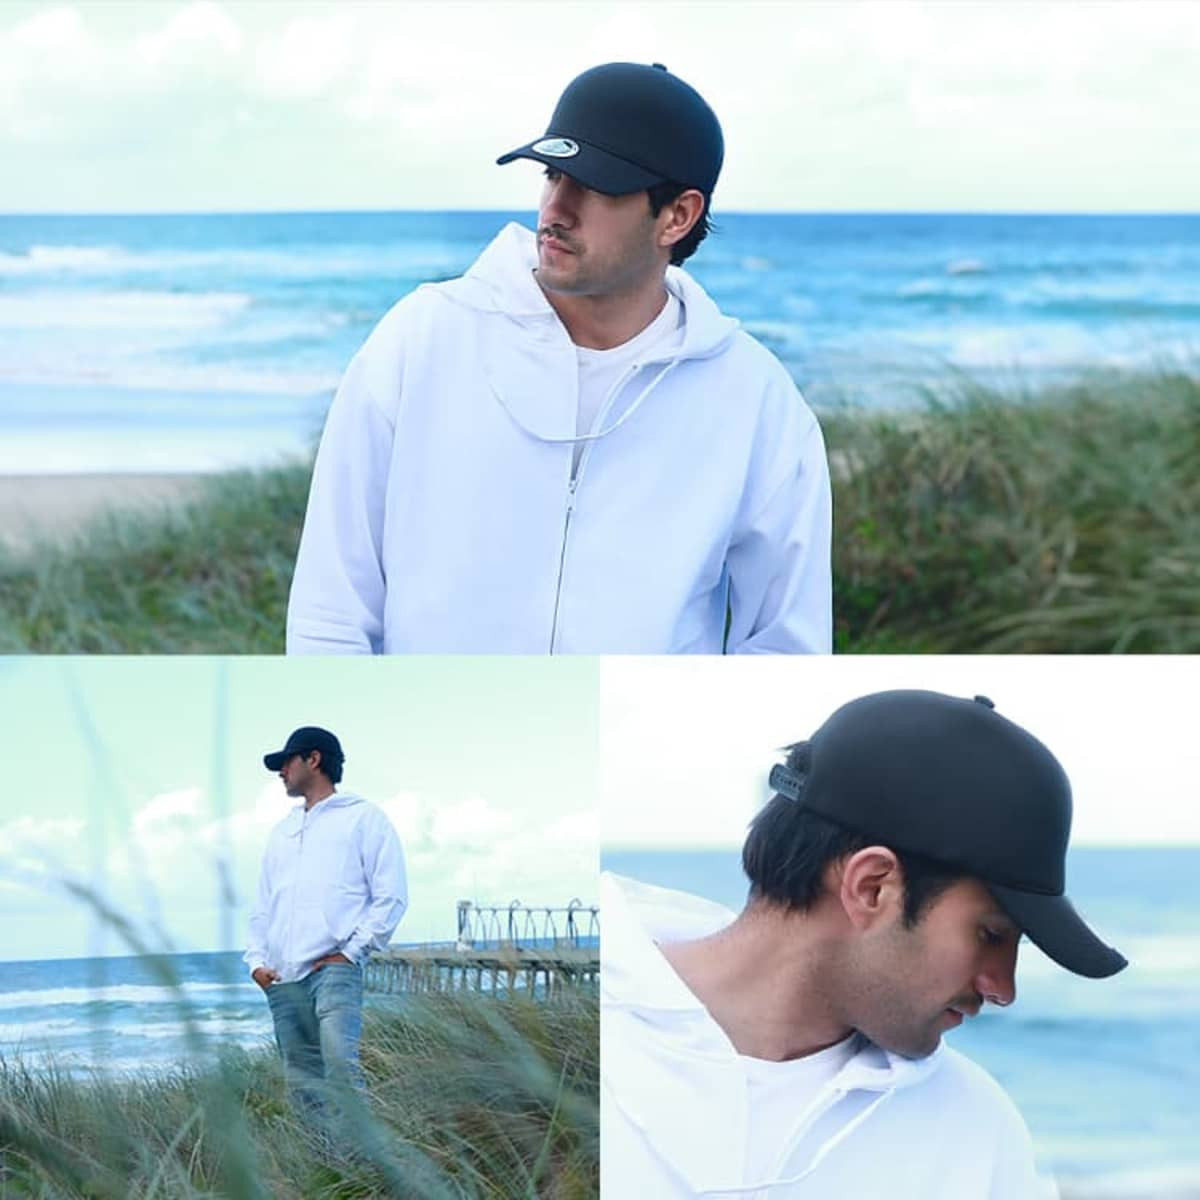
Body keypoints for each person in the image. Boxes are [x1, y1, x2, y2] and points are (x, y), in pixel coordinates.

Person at [287, 61, 831, 656]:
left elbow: (787, 647)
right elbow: (330, 613)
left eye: (596, 186)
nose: (556, 208)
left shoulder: (756, 400)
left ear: (677, 215)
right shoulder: (421, 340)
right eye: (553, 174)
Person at [601, 690, 1127, 1198]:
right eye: (990, 934)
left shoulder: (978, 1131)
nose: (1002, 989)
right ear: (871, 887)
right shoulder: (589, 1037)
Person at [245, 725, 407, 1127]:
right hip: (282, 978)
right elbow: (264, 904)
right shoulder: (281, 832)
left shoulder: (364, 818)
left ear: (313, 759)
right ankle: (322, 1163)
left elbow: (391, 895)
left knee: (340, 1070)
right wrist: (256, 962)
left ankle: (363, 1156)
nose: (281, 771)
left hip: (333, 969)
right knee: (302, 1084)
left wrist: (351, 952)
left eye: (287, 762)